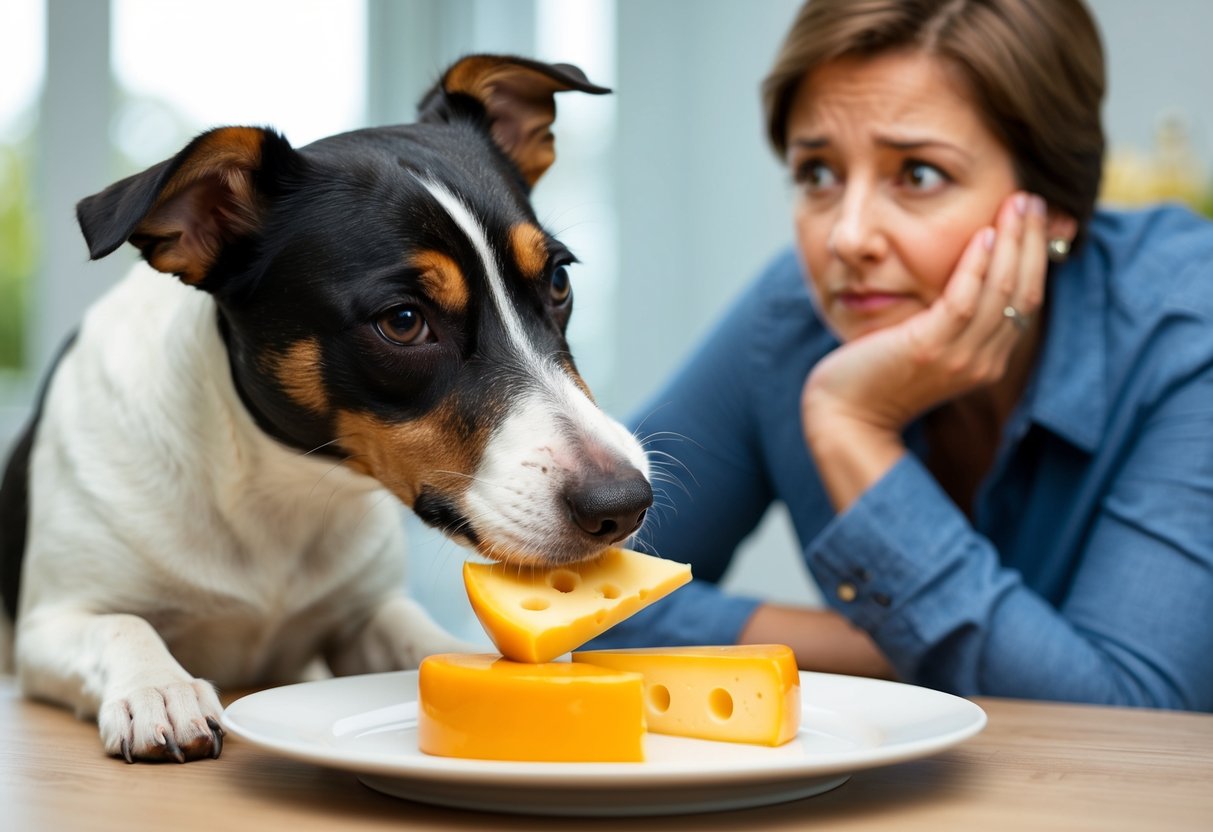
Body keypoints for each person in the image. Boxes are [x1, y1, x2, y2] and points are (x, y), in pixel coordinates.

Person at [590, 0, 1213, 710]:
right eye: (818, 174)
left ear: (1055, 205)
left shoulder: (1189, 328)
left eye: (916, 175)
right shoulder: (790, 318)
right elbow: (573, 590)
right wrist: (884, 647)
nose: (847, 237)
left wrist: (849, 425)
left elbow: (1131, 725)